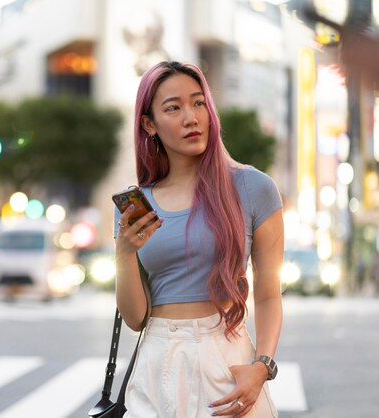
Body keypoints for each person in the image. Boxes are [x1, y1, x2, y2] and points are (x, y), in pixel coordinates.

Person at [114, 61, 283, 417]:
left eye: (198, 102)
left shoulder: (253, 188)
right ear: (149, 124)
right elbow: (135, 318)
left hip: (225, 358)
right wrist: (124, 253)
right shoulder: (138, 204)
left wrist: (261, 367)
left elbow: (268, 294)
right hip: (157, 359)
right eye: (173, 108)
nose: (190, 117)